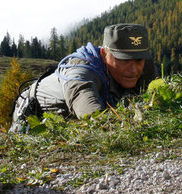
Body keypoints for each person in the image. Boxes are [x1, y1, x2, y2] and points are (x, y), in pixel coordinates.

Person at [10, 23, 158, 132]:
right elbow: (93, 117)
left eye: (139, 60)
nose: (133, 69)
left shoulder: (145, 65)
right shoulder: (81, 73)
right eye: (124, 60)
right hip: (31, 114)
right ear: (104, 54)